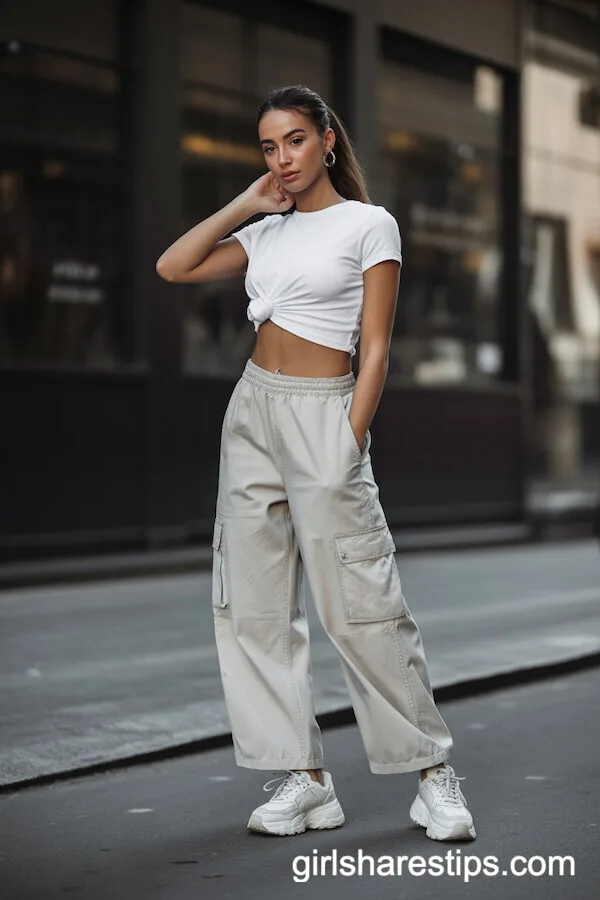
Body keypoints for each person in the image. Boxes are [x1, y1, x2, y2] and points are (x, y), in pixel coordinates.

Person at [156, 84, 476, 842]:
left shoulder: (370, 225)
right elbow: (173, 267)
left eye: (294, 140)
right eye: (269, 147)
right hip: (253, 411)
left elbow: (377, 347)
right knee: (254, 605)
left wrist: (350, 440)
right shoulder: (265, 232)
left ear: (327, 139)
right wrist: (245, 203)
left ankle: (432, 774)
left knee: (362, 601)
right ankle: (303, 780)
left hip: (325, 410)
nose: (283, 158)